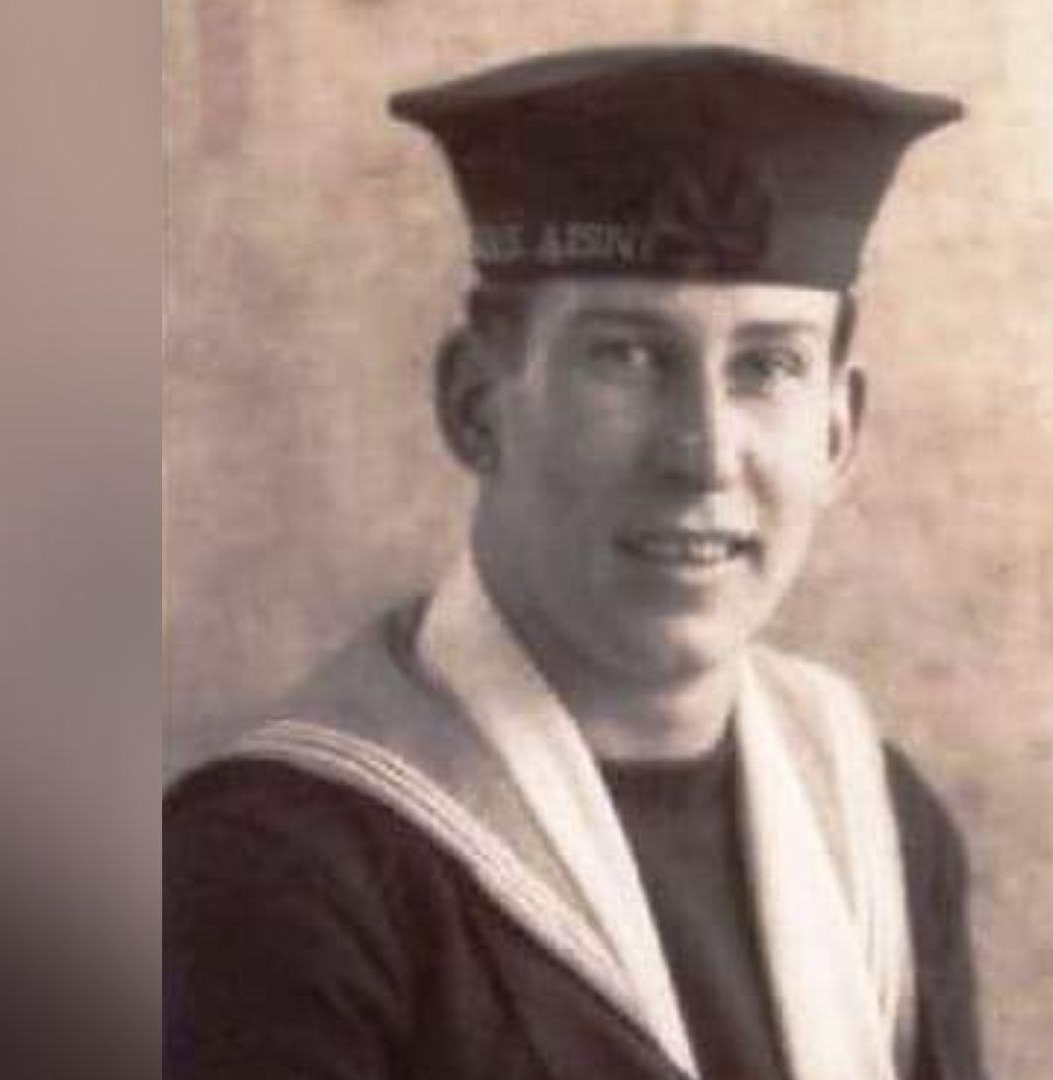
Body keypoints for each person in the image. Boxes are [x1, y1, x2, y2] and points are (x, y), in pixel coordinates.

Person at [166, 44, 984, 1080]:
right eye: (626, 356)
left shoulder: (878, 818)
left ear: (838, 429)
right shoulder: (283, 864)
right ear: (474, 403)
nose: (703, 453)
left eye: (766, 365)